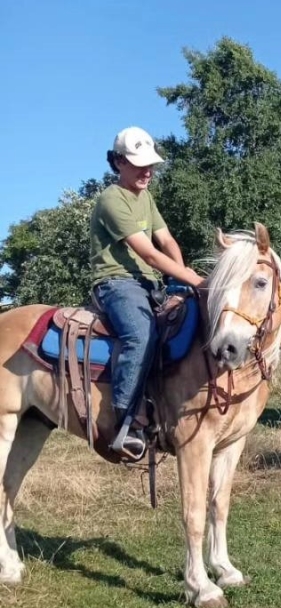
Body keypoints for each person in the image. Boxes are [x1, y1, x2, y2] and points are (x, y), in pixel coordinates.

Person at [90, 127, 204, 460]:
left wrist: (182, 284)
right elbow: (150, 254)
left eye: (150, 164)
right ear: (119, 163)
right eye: (139, 165)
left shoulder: (146, 198)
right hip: (116, 283)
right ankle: (126, 421)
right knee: (141, 335)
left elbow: (167, 242)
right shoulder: (112, 199)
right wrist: (196, 280)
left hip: (149, 283)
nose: (147, 171)